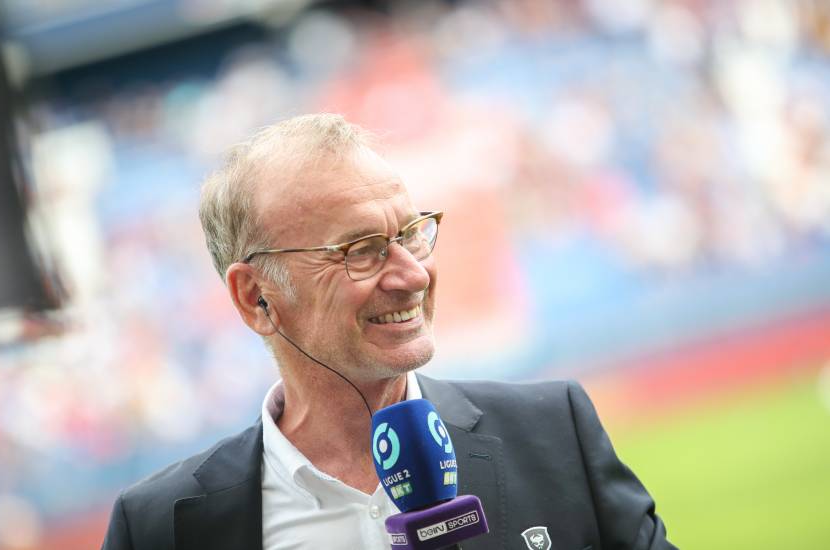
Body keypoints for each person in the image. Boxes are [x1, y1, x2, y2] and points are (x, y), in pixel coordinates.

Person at [102, 114, 676, 550]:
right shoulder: (160, 527)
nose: (412, 274)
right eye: (363, 251)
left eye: (412, 233)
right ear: (256, 297)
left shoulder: (555, 433)